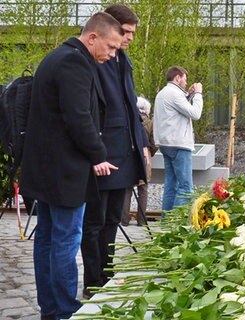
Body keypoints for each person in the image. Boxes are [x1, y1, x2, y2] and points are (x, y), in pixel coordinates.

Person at [19, 12, 122, 320]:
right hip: (65, 173)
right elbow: (79, 118)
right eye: (112, 46)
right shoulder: (75, 63)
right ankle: (64, 310)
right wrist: (98, 154)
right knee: (64, 241)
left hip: (46, 169)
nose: (113, 54)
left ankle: (50, 308)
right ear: (93, 37)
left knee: (48, 239)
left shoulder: (56, 57)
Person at [81, 4, 149, 299]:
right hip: (103, 153)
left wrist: (142, 144)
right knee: (94, 222)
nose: (130, 38)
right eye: (127, 32)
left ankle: (106, 274)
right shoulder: (97, 60)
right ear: (112, 28)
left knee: (112, 220)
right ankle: (93, 281)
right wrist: (96, 153)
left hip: (124, 151)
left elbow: (129, 107)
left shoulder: (123, 60)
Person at [153, 66, 203, 212]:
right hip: (179, 145)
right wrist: (199, 94)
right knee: (185, 187)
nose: (186, 83)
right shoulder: (175, 94)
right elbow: (195, 113)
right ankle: (177, 225)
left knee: (171, 185)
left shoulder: (162, 93)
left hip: (165, 144)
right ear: (177, 78)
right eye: (184, 79)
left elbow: (178, 110)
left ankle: (166, 222)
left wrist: (190, 95)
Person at [121, 96, 158, 226]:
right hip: (144, 156)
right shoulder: (150, 122)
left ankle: (124, 220)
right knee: (143, 189)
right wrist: (150, 152)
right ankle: (141, 221)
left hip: (129, 155)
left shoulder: (128, 120)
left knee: (127, 188)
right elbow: (154, 143)